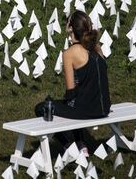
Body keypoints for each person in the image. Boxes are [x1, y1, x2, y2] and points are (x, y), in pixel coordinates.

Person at [35, 10, 111, 156]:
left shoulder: (69, 53)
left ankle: (70, 146)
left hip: (87, 110)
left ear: (71, 28)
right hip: (104, 108)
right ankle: (81, 145)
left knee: (43, 107)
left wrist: (61, 102)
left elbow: (70, 92)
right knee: (73, 104)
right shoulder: (96, 47)